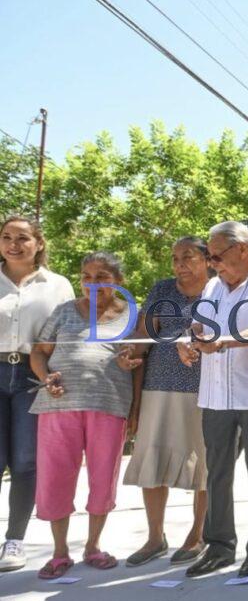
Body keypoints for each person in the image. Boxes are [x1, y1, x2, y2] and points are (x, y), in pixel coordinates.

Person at [177, 221, 248, 580]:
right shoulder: (213, 285)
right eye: (210, 258)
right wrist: (188, 339)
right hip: (214, 394)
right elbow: (199, 324)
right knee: (218, 473)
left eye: (216, 256)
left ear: (242, 249)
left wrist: (223, 341)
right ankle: (220, 546)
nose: (212, 264)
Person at [29, 252, 140, 579]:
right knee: (54, 478)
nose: (93, 283)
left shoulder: (132, 316)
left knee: (103, 479)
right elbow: (39, 351)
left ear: (118, 282)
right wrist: (45, 378)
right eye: (87, 276)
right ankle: (59, 552)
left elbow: (136, 362)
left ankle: (93, 546)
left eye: (102, 276)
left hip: (109, 406)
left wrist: (135, 410)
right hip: (57, 406)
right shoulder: (64, 312)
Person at [121, 237, 211, 566]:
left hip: (205, 390)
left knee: (204, 463)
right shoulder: (162, 290)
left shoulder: (219, 291)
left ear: (208, 260)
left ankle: (198, 534)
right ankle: (155, 537)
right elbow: (143, 337)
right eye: (175, 258)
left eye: (188, 257)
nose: (179, 264)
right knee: (152, 461)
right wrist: (128, 354)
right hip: (157, 387)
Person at [0, 216, 74, 572]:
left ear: (39, 243)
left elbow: (70, 333)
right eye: (7, 237)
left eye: (23, 238)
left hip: (35, 374)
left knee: (26, 461)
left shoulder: (57, 285)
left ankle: (14, 540)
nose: (14, 244)